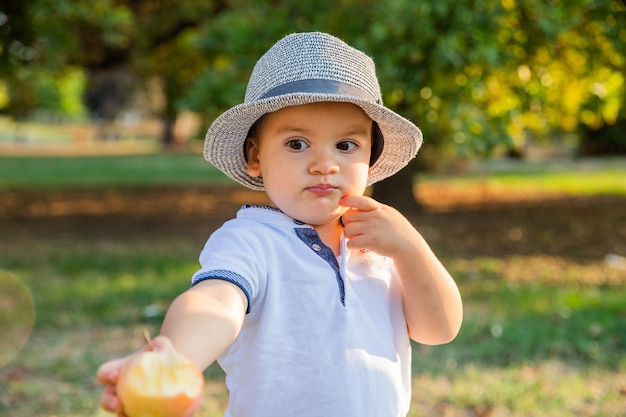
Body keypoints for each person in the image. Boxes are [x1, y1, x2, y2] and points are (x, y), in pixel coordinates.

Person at [97, 31, 463, 417]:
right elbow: (215, 302)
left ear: (370, 159)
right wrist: (177, 356)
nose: (325, 163)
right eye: (296, 144)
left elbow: (438, 329)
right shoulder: (251, 241)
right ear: (255, 157)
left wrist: (410, 247)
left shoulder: (382, 246)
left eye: (346, 145)